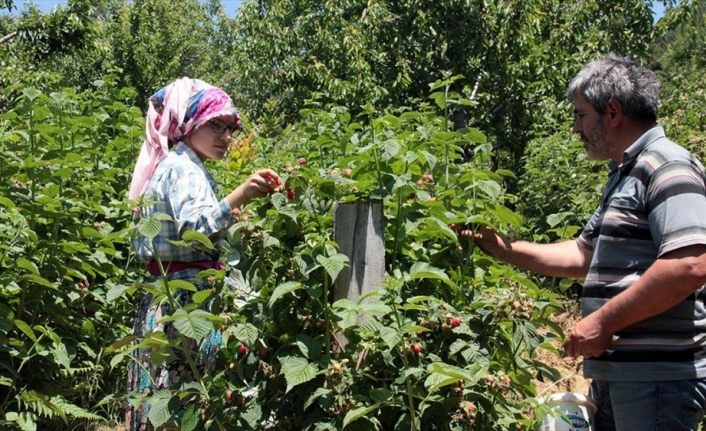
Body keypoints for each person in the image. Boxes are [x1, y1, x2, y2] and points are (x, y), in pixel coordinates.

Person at [473, 54, 706, 430]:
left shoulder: (666, 167)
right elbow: (585, 254)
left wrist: (602, 322)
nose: (575, 128)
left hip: (656, 381)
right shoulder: (624, 174)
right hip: (622, 377)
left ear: (612, 112)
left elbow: (689, 264)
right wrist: (504, 249)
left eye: (581, 115)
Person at [125, 77, 281, 430]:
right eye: (216, 125)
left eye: (230, 128)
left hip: (172, 299)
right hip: (182, 301)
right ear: (191, 123)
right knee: (179, 401)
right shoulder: (183, 167)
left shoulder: (183, 164)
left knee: (166, 399)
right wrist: (241, 194)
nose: (225, 136)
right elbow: (194, 228)